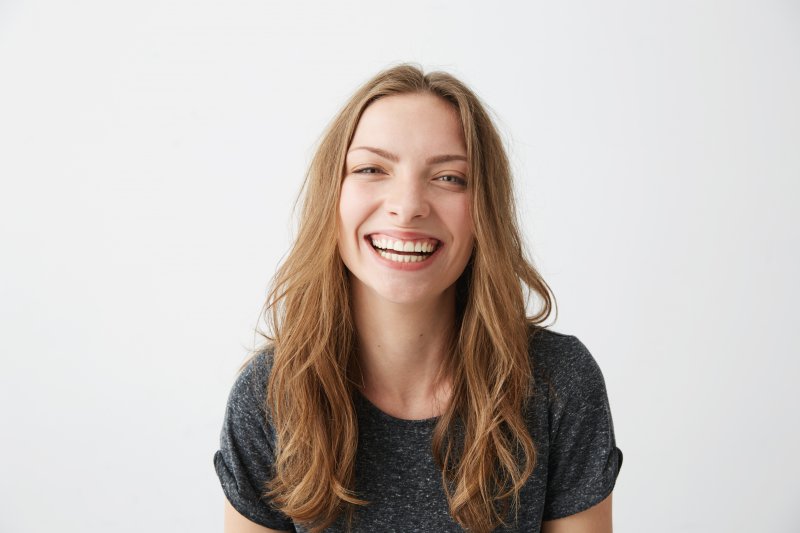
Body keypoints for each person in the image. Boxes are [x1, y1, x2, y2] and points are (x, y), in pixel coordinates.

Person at [213, 64, 623, 533]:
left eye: (449, 177)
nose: (407, 205)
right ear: (333, 196)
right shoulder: (270, 394)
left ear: (483, 212)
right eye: (371, 169)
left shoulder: (558, 382)